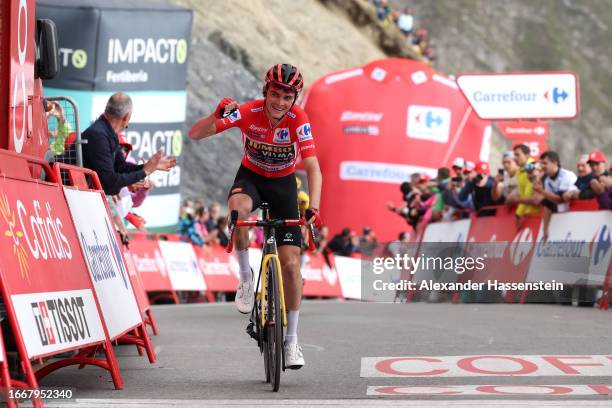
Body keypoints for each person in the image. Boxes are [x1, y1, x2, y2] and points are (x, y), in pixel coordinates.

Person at [188, 63, 322, 369]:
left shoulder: (298, 119)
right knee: (239, 210)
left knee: (290, 266)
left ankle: (292, 342)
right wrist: (215, 116)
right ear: (266, 92)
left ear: (294, 99)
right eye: (276, 94)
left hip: (284, 186)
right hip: (251, 178)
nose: (280, 102)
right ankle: (246, 278)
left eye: (287, 97)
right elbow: (195, 135)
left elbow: (313, 167)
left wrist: (313, 206)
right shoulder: (248, 111)